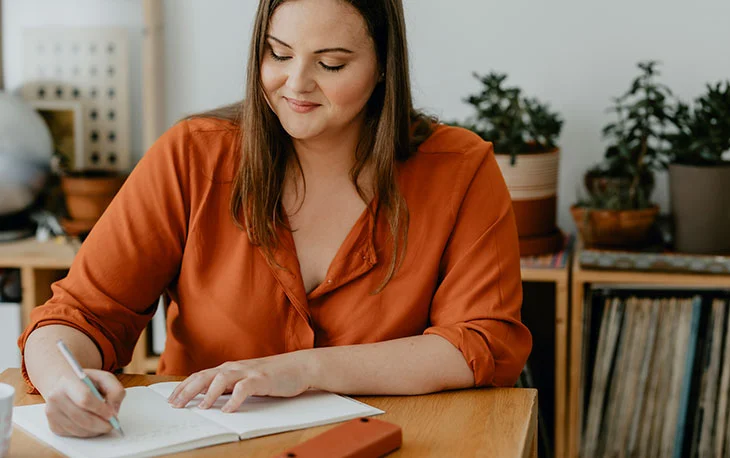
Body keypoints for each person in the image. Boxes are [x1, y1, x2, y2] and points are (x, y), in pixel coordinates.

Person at [19, 0, 532, 438]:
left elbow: (482, 342)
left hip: (391, 444)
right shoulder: (193, 156)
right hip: (206, 444)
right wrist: (65, 384)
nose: (296, 83)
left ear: (383, 66)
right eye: (278, 54)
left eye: (331, 64)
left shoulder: (460, 168)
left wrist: (301, 370)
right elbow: (78, 315)